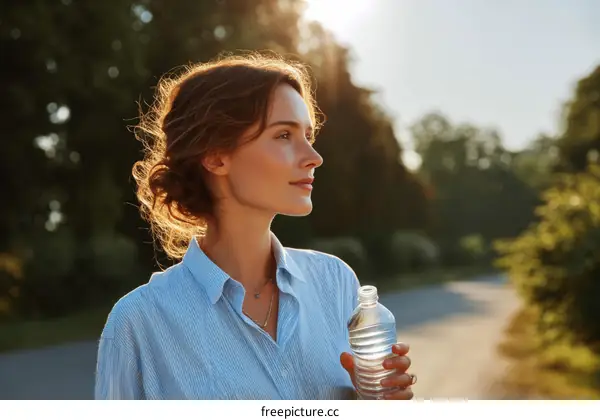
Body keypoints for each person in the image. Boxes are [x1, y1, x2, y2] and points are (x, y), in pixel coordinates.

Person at [94, 52, 416, 400]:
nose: (314, 156)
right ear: (216, 156)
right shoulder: (138, 324)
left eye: (308, 135)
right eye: (283, 136)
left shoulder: (335, 282)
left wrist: (377, 402)